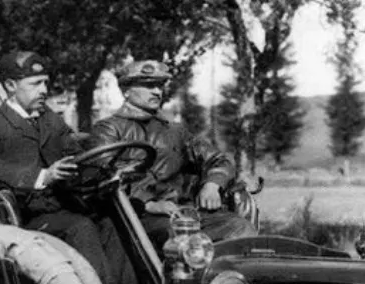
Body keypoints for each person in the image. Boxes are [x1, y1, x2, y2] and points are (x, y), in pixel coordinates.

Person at [0, 51, 136, 284]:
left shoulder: (51, 120)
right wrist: (42, 176)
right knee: (80, 226)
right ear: (11, 85)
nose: (44, 89)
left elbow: (76, 155)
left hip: (67, 206)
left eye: (45, 82)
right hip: (26, 217)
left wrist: (108, 171)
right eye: (35, 83)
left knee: (108, 222)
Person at [89, 60, 257, 248]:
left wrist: (212, 184)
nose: (157, 92)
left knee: (240, 227)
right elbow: (102, 178)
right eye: (148, 86)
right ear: (125, 91)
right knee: (179, 237)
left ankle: (228, 278)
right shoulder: (108, 130)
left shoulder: (176, 131)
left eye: (159, 85)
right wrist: (148, 204)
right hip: (137, 216)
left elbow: (218, 159)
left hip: (184, 212)